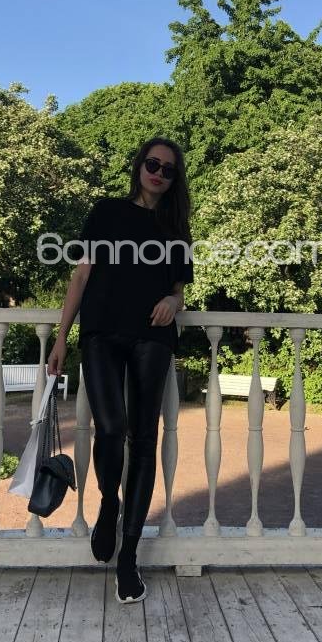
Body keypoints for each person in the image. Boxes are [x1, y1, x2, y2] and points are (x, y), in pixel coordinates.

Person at [47, 137, 193, 604]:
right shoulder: (106, 211)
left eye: (168, 170)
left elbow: (179, 291)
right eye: (153, 164)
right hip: (102, 332)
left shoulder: (177, 229)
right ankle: (109, 501)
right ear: (139, 166)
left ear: (174, 179)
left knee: (144, 439)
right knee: (110, 427)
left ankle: (128, 557)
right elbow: (81, 275)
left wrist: (173, 301)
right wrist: (61, 337)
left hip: (152, 335)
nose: (158, 173)